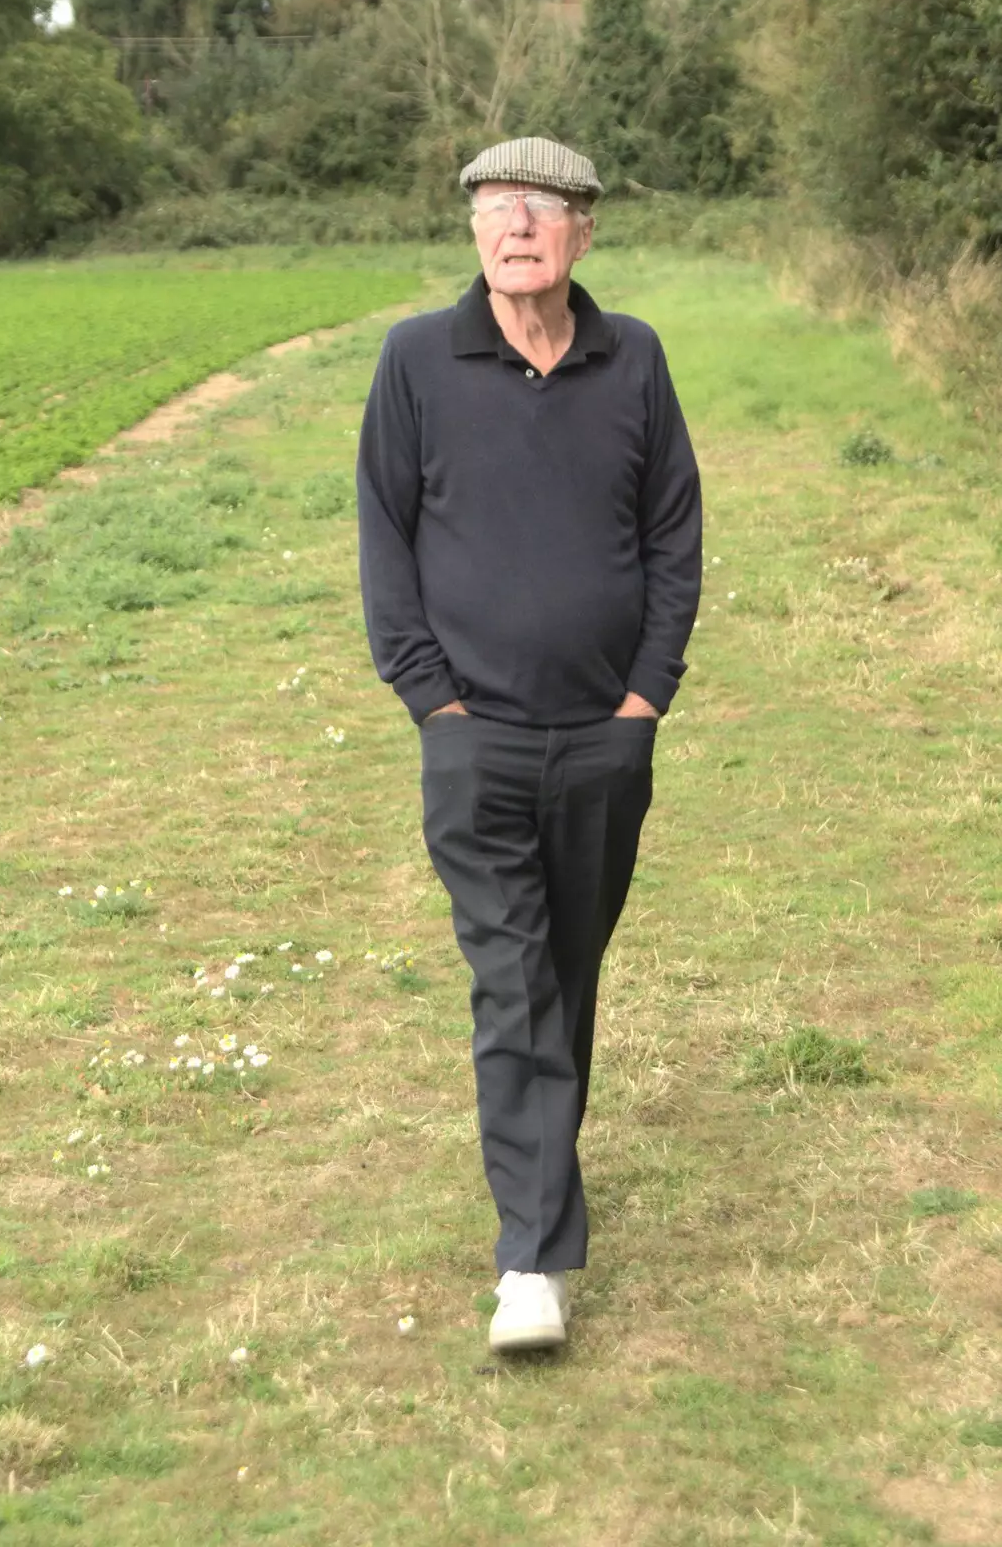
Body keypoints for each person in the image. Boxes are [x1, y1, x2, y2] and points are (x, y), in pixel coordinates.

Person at [355, 137, 702, 1353]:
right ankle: (532, 1263)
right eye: (496, 207)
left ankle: (536, 1201)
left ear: (582, 233)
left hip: (604, 744)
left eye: (542, 208)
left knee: (565, 977)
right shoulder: (414, 361)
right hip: (476, 743)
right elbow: (385, 546)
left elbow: (672, 537)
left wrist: (643, 701)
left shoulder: (636, 360)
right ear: (471, 232)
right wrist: (434, 709)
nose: (516, 226)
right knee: (512, 982)